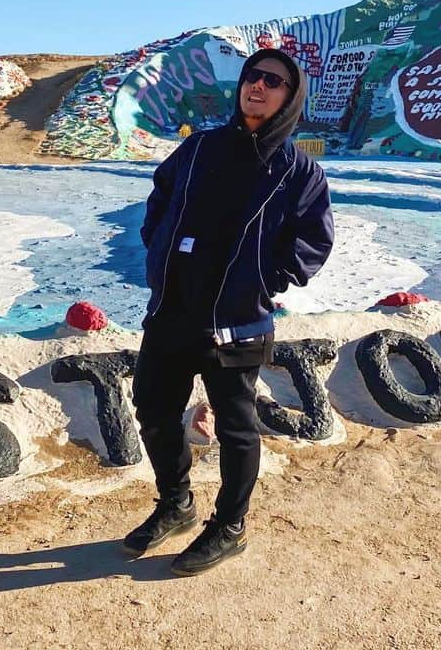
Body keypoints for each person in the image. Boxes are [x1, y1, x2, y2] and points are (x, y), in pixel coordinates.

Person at [124, 48, 334, 575]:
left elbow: (314, 240)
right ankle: (176, 503)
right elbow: (160, 198)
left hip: (235, 323)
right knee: (152, 409)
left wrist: (263, 281)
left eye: (274, 82)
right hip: (173, 311)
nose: (258, 87)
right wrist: (157, 250)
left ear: (290, 98)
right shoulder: (198, 149)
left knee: (236, 429)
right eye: (252, 77)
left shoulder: (297, 170)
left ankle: (231, 526)